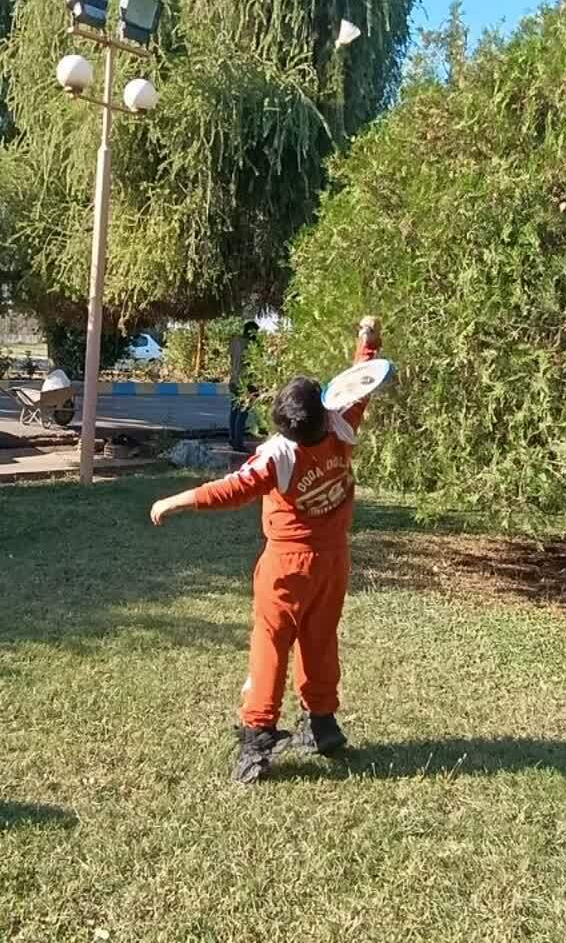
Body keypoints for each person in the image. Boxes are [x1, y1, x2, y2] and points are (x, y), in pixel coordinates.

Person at [151, 315, 383, 784]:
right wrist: (368, 346)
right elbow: (359, 389)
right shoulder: (340, 427)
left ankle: (257, 738)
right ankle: (322, 723)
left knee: (270, 645)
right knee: (321, 640)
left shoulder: (279, 455)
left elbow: (231, 489)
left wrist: (176, 499)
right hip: (333, 561)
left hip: (287, 567)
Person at [228, 320, 261, 451]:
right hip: (245, 383)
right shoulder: (251, 345)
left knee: (234, 412)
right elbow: (252, 365)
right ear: (252, 332)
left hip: (233, 380)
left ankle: (232, 439)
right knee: (242, 414)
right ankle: (238, 443)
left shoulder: (234, 342)